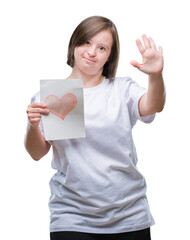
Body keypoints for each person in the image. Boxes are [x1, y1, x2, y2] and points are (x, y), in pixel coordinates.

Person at [25, 16, 165, 240]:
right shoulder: (51, 96)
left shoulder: (121, 89)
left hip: (129, 215)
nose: (92, 52)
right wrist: (32, 126)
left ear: (109, 56)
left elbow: (153, 105)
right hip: (71, 215)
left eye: (102, 48)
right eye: (86, 43)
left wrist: (155, 76)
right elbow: (36, 153)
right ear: (74, 45)